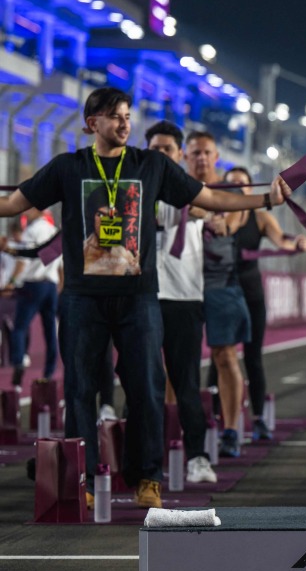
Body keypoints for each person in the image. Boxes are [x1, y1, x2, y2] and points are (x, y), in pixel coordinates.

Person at [0, 87, 290, 508]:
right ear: (90, 123)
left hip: (138, 298)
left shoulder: (151, 165)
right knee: (81, 391)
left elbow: (210, 198)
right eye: (114, 116)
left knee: (148, 389)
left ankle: (146, 478)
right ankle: (82, 476)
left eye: (127, 115)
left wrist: (268, 199)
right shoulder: (67, 167)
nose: (124, 123)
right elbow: (12, 204)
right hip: (83, 299)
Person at [147, 120, 215, 485]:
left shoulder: (191, 190)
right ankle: (141, 462)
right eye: (154, 149)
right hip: (141, 297)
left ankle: (198, 457)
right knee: (142, 382)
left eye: (167, 150)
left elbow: (208, 209)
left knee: (186, 383)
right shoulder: (133, 190)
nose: (160, 155)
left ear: (179, 156)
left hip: (185, 298)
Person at [224, 166, 306, 440]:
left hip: (251, 296)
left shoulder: (259, 218)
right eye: (232, 184)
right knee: (220, 359)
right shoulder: (215, 216)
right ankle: (218, 420)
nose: (237, 188)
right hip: (221, 295)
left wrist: (296, 243)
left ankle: (258, 418)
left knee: (252, 358)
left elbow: (281, 239)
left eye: (242, 183)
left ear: (251, 188)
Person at [186, 131, 254, 459]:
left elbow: (230, 219)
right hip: (182, 284)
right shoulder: (177, 188)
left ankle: (230, 430)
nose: (201, 158)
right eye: (195, 152)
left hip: (221, 284)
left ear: (216, 157)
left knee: (225, 357)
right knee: (175, 363)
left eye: (206, 152)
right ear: (186, 157)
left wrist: (198, 211)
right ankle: (174, 429)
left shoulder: (231, 192)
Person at [5, 206, 61, 387]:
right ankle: (49, 372)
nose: (25, 211)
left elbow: (24, 260)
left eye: (29, 208)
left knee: (19, 328)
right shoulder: (54, 231)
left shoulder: (32, 230)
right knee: (50, 330)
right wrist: (59, 287)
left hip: (32, 285)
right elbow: (60, 265)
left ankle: (19, 361)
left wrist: (12, 281)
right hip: (50, 285)